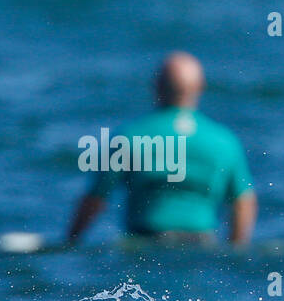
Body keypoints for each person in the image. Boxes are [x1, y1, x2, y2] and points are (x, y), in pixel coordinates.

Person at [66, 52, 257, 245]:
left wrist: (70, 242)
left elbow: (96, 198)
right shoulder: (224, 141)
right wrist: (236, 249)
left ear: (156, 87)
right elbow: (243, 202)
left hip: (143, 243)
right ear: (200, 88)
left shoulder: (129, 136)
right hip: (201, 246)